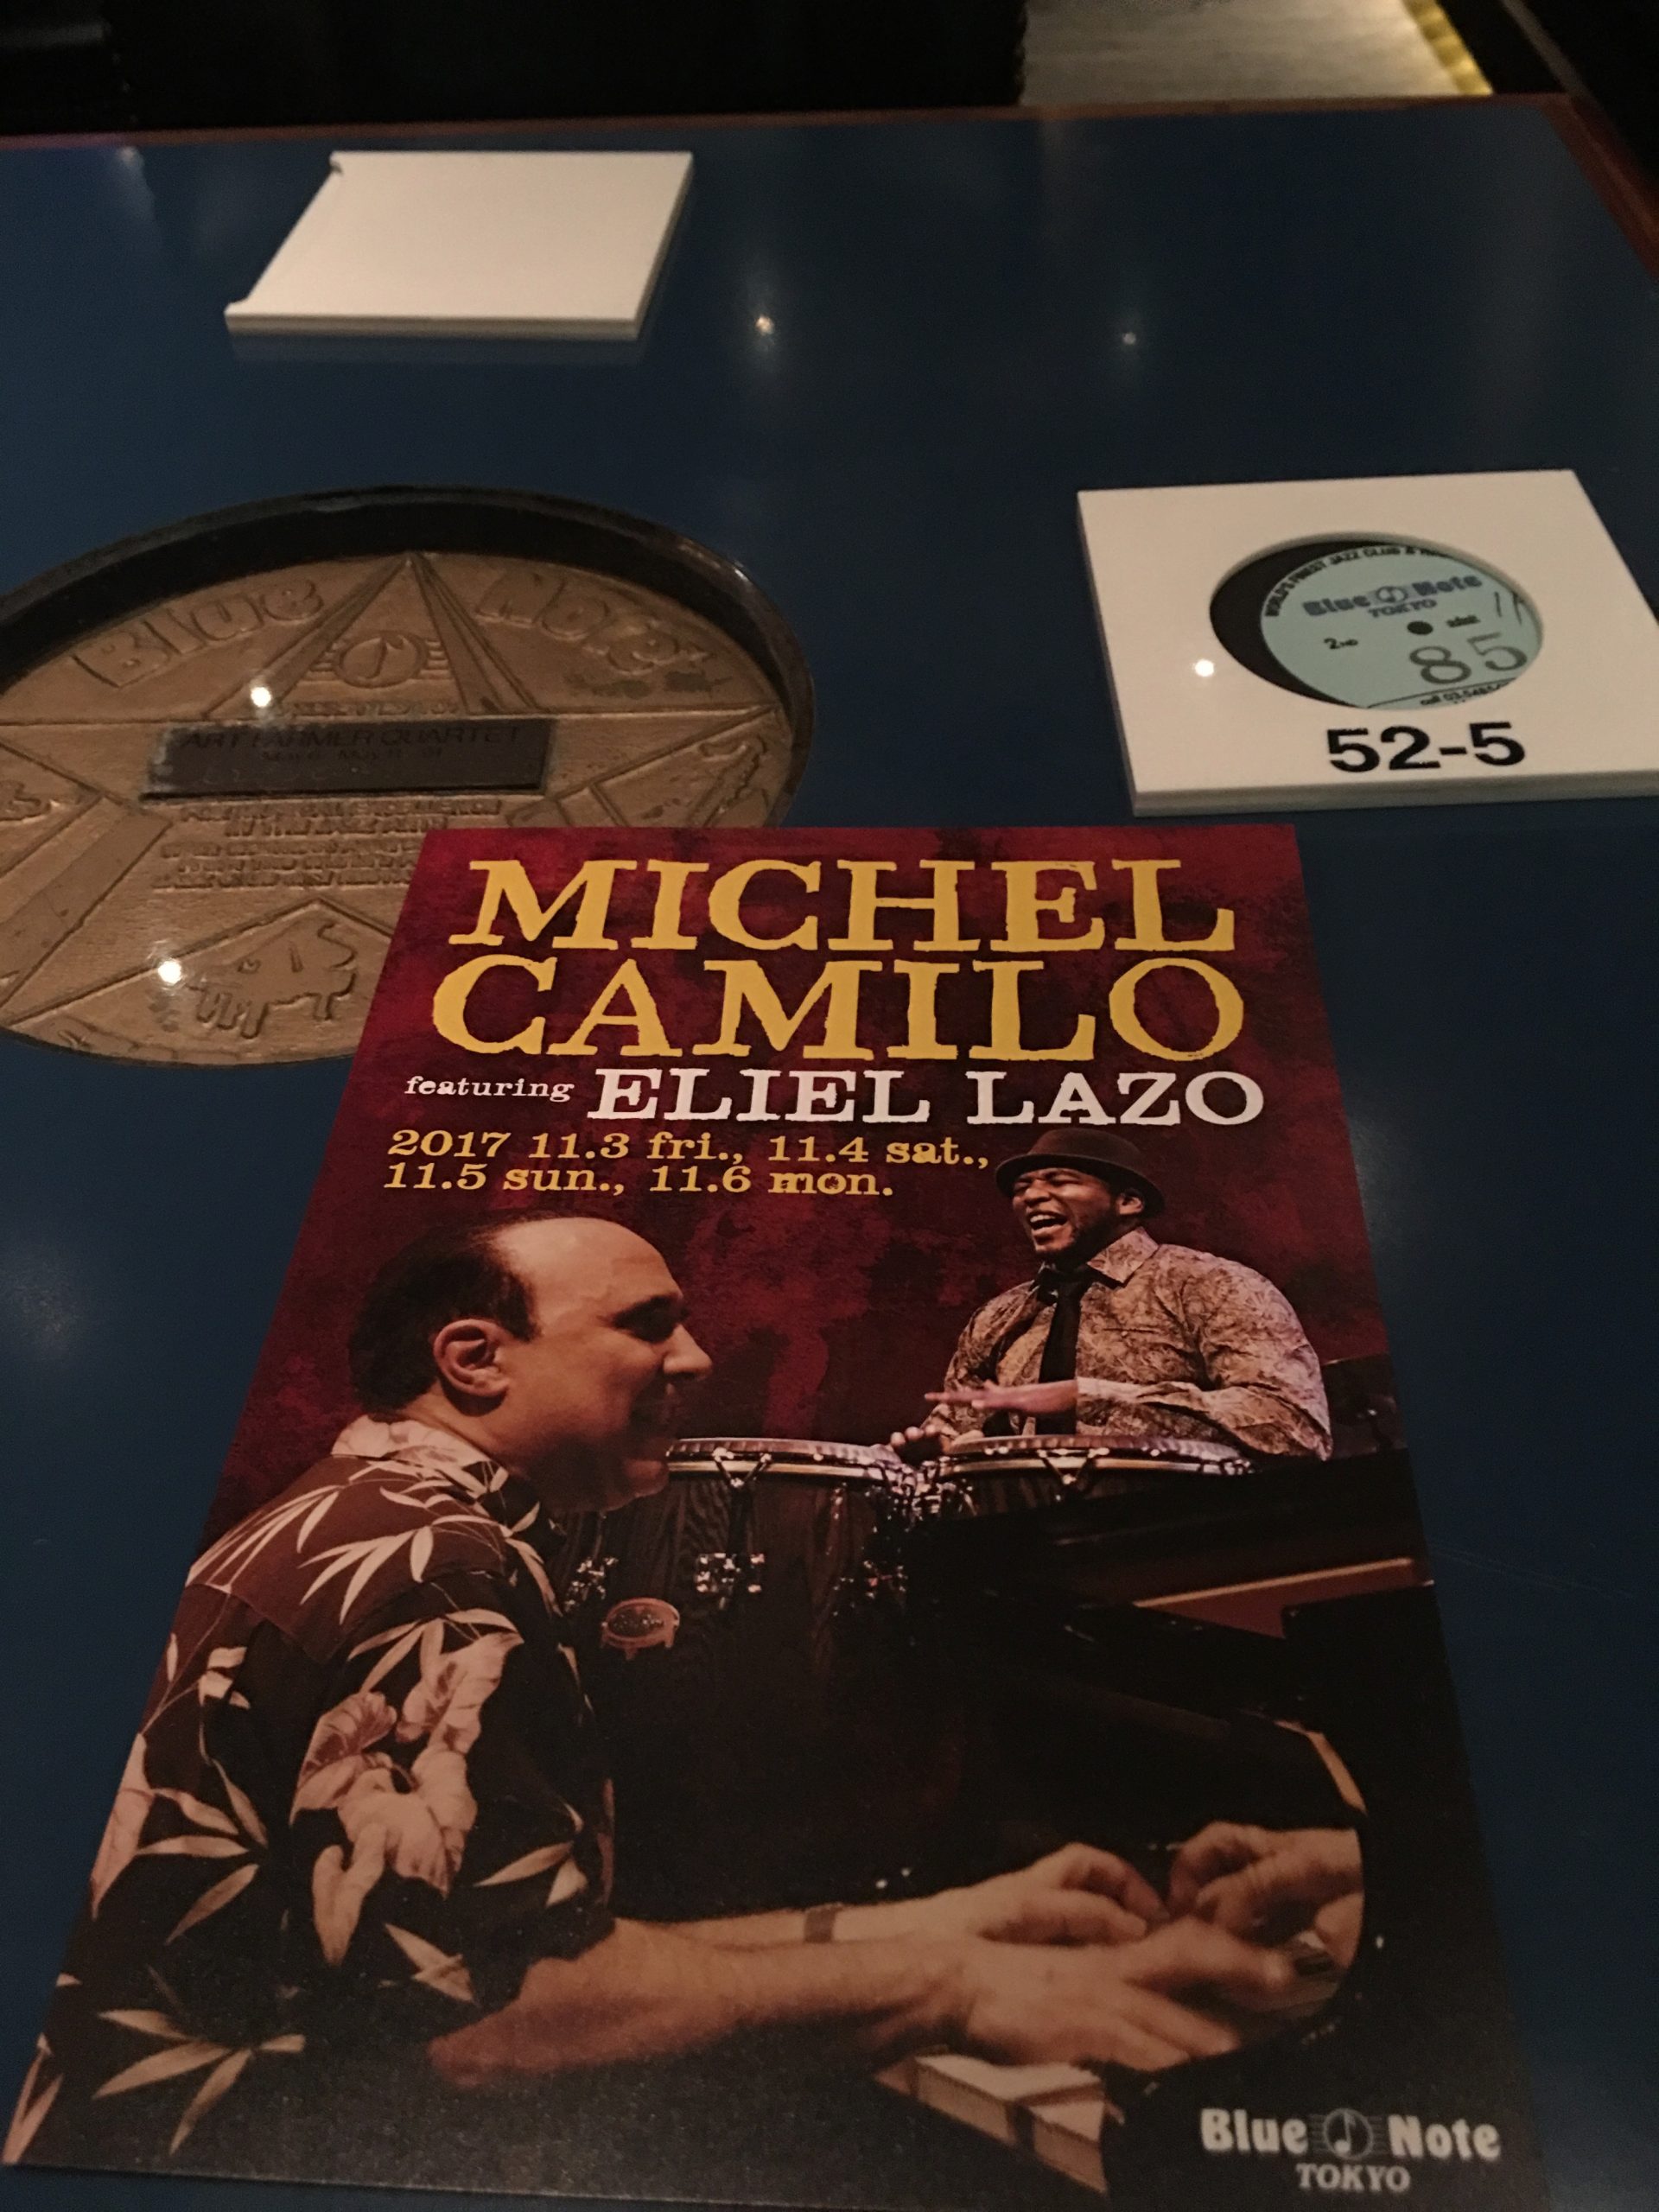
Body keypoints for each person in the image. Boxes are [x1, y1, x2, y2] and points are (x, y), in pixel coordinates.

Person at [9, 1211, 1300, 2180]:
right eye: (646, 1323)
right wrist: (958, 1986)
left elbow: (504, 1946)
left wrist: (953, 1921)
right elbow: (491, 2020)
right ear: (475, 1358)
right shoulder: (438, 1570)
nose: (696, 1355)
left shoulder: (361, 1514)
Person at [893, 1128, 1332, 1461]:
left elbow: (1293, 1425)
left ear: (1128, 1202)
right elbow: (953, 1428)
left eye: (1059, 1181)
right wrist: (937, 1450)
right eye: (1022, 1187)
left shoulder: (1211, 1284)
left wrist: (1086, 1396)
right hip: (1029, 1535)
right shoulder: (997, 1318)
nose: (1032, 1196)